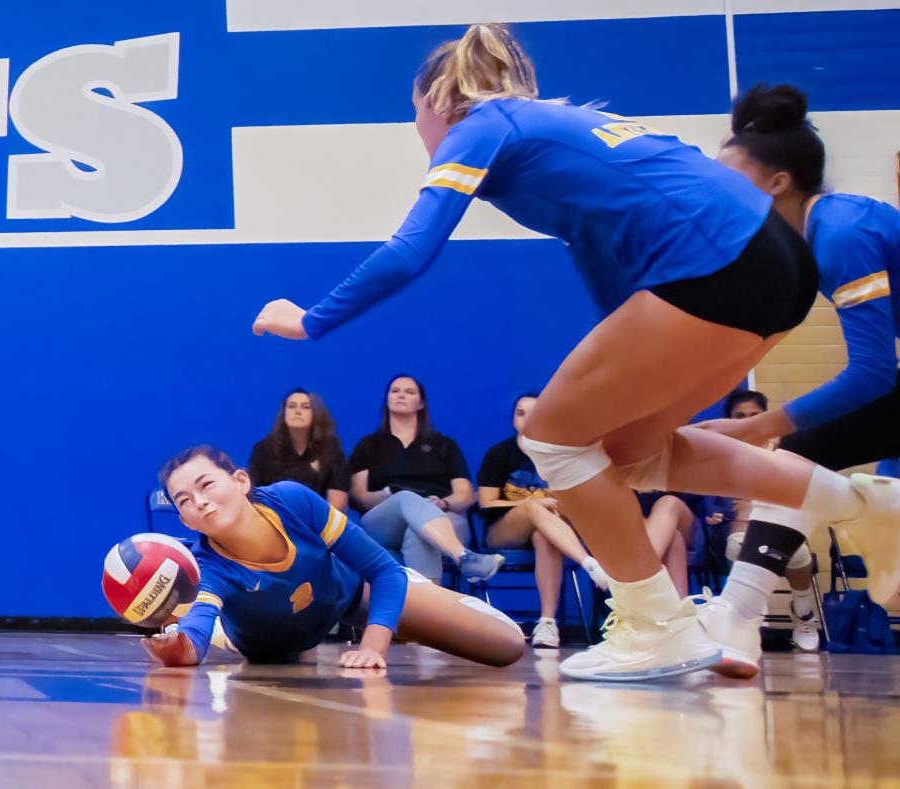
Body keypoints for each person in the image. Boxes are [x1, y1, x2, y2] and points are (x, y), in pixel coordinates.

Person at [250, 24, 900, 681]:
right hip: (776, 266)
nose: (418, 129)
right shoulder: (564, 127)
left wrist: (311, 319)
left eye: (413, 115)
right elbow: (604, 267)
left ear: (436, 102)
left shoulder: (480, 124)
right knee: (630, 452)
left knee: (553, 437)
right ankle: (870, 507)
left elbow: (411, 249)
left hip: (716, 263)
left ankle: (656, 625)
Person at [695, 84, 900, 672]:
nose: (716, 190)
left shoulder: (842, 233)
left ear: (778, 182)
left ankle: (738, 612)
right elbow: (744, 339)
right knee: (803, 450)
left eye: (730, 176)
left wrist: (755, 426)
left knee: (801, 447)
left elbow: (872, 374)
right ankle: (738, 614)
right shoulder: (806, 244)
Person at [142, 446, 526, 669]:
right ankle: (231, 634)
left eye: (206, 484)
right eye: (185, 501)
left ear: (241, 481)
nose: (201, 502)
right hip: (275, 645)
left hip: (348, 598)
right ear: (183, 518)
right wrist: (180, 649)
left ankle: (415, 602)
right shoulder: (207, 566)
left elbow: (383, 570)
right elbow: (194, 639)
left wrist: (373, 647)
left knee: (507, 644)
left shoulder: (291, 500)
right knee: (237, 637)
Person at [478, 393, 610, 649]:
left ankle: (547, 623)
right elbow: (486, 503)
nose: (527, 419)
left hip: (551, 529)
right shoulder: (500, 453)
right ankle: (591, 565)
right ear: (513, 419)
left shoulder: (561, 456)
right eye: (520, 413)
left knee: (544, 537)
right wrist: (532, 504)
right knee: (533, 508)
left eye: (535, 413)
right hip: (504, 530)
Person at [348, 374, 503, 585]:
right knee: (405, 497)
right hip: (384, 520)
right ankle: (464, 557)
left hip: (441, 514)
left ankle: (422, 612)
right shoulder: (368, 446)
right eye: (395, 391)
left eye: (409, 392)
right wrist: (386, 495)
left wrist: (446, 502)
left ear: (421, 403)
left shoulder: (444, 445)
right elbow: (359, 496)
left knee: (419, 533)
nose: (401, 395)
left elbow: (465, 494)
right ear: (387, 399)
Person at [722, 389, 820, 652]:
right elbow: (709, 499)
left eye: (754, 415)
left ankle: (803, 614)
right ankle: (753, 618)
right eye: (740, 416)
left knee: (797, 554)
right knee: (738, 544)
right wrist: (719, 512)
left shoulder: (786, 448)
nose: (747, 420)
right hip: (737, 528)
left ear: (766, 416)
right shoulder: (720, 451)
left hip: (781, 525)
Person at [248, 388, 350, 511]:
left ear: (316, 413)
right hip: (274, 520)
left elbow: (337, 503)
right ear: (284, 413)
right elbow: (255, 497)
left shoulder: (331, 450)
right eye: (292, 406)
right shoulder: (263, 450)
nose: (297, 411)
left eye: (305, 407)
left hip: (318, 522)